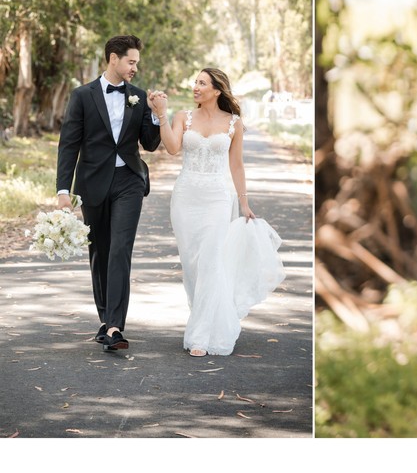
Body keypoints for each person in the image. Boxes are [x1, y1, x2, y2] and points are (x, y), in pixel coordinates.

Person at [149, 68, 284, 356]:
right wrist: (162, 114)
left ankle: (201, 335)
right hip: (186, 197)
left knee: (211, 260)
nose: (195, 87)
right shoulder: (182, 117)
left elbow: (237, 166)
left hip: (217, 199)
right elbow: (172, 148)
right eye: (195, 81)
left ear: (217, 90)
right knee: (193, 264)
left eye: (202, 83)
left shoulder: (234, 123)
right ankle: (206, 316)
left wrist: (244, 203)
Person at [56, 34, 161, 351]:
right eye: (131, 62)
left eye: (137, 63)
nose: (134, 68)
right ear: (113, 59)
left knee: (119, 249)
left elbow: (151, 144)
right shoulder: (82, 96)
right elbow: (69, 144)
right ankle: (106, 318)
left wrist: (155, 115)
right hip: (92, 184)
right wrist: (64, 190)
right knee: (100, 250)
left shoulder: (139, 97)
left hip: (128, 180)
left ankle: (115, 327)